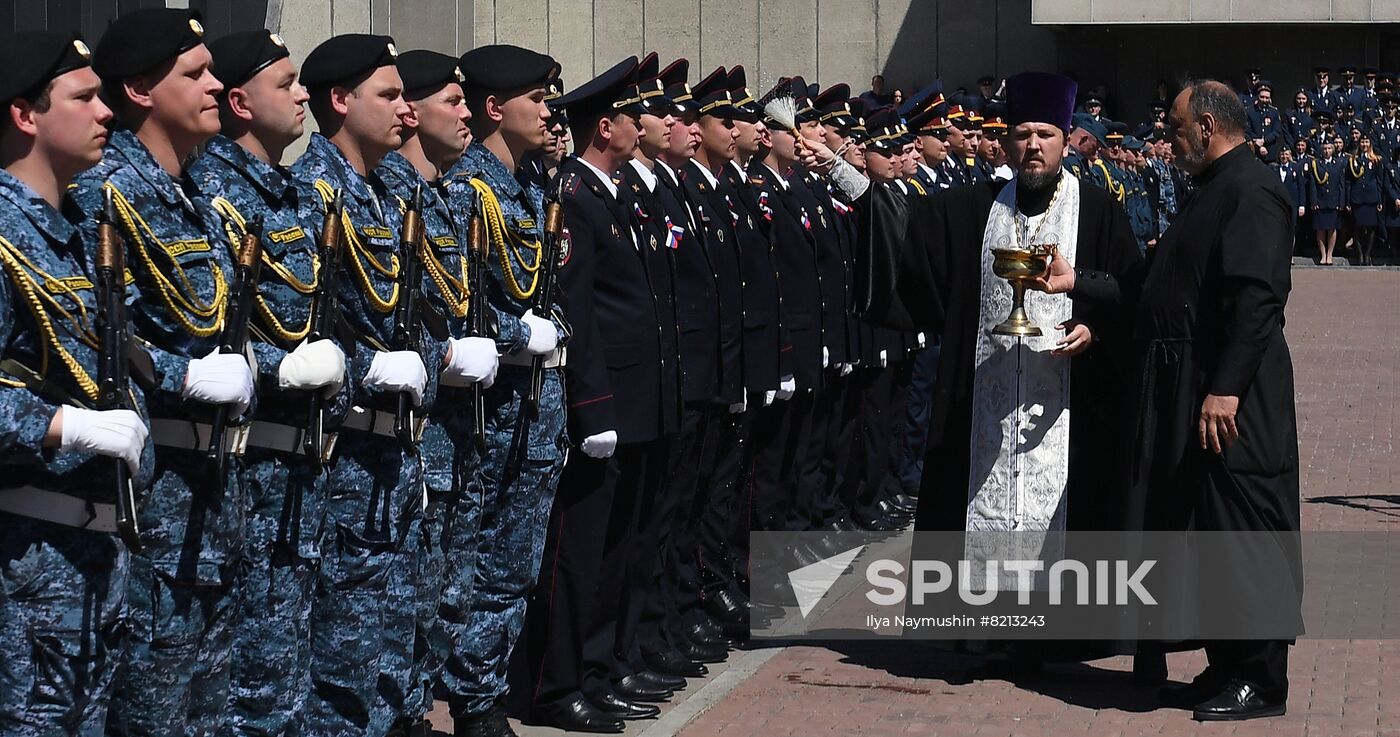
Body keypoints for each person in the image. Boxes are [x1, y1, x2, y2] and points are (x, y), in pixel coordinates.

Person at [801, 68, 1144, 562]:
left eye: (1044, 135)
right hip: (986, 396)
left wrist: (1094, 326)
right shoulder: (972, 209)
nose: (1033, 146)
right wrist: (844, 173)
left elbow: (1129, 290)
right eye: (1022, 134)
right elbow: (905, 234)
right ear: (1005, 142)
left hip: (1070, 403)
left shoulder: (1097, 209)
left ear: (1065, 141)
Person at [75, 11, 256, 736]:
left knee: (207, 708)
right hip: (157, 508)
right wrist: (183, 375)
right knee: (151, 711)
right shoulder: (104, 196)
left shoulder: (197, 198)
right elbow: (99, 340)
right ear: (141, 89)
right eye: (196, 73)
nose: (216, 85)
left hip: (215, 497)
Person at [186, 29, 347, 737]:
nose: (303, 93)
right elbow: (208, 323)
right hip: (249, 476)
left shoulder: (297, 194)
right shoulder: (214, 193)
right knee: (247, 682)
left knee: (287, 671)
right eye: (287, 84)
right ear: (240, 101)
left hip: (302, 473)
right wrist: (273, 365)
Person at [288, 34, 444, 737]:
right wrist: (369, 367)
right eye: (388, 94)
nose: (404, 110)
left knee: (388, 638)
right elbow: (303, 320)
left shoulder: (386, 193)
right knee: (343, 656)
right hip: (346, 455)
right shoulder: (312, 194)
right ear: (340, 101)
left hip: (396, 452)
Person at [0, 30, 154, 737]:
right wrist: (63, 425)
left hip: (95, 562)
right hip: (27, 568)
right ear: (25, 114)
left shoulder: (78, 230)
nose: (106, 113)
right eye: (84, 97)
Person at [1132, 79, 1301, 722]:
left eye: (1175, 129)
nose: (1168, 142)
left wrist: (1226, 387)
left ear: (1206, 126)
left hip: (1239, 398)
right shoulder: (1214, 188)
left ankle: (1261, 678)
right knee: (1211, 531)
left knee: (1245, 531)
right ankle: (1228, 664)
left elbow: (1258, 298)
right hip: (1201, 386)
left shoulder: (1251, 189)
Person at [438, 43, 568, 737]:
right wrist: (524, 336)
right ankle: (474, 699)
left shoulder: (524, 184)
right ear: (497, 108)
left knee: (512, 566)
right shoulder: (469, 190)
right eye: (537, 100)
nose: (548, 112)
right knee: (476, 564)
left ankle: (482, 691)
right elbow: (464, 307)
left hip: (533, 412)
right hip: (491, 412)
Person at [373, 48, 501, 737]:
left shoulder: (446, 195)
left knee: (440, 594)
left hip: (455, 432)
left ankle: (421, 710)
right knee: (405, 598)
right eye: (451, 101)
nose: (466, 113)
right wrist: (443, 353)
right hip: (414, 435)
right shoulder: (390, 194)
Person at [1344, 135, 1384, 265]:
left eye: (1366, 142)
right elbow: (1349, 181)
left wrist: (1379, 200)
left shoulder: (1376, 160)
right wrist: (1348, 201)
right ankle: (1360, 254)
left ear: (1370, 144)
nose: (1364, 144)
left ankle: (1368, 254)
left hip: (1371, 198)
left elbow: (1379, 181)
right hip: (1357, 198)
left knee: (1371, 228)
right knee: (1357, 228)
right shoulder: (1353, 160)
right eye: (1362, 142)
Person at [1306, 138, 1346, 265]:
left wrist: (1341, 202)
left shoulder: (1338, 163)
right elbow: (1312, 184)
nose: (1327, 151)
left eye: (1329, 148)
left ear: (1333, 150)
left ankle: (1330, 254)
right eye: (1324, 149)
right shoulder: (1316, 164)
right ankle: (1323, 254)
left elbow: (1341, 184)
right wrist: (1313, 200)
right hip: (1320, 200)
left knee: (1332, 229)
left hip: (1333, 201)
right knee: (1320, 229)